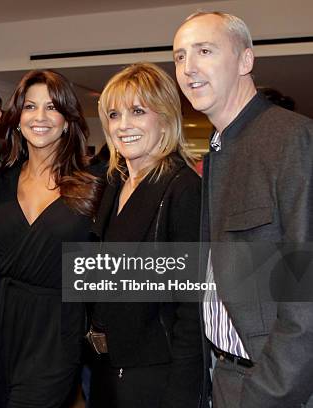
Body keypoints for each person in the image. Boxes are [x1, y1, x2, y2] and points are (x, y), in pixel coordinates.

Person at [173, 11, 313, 407]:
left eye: (204, 51)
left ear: (245, 60)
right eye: (180, 56)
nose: (189, 68)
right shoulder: (219, 148)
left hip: (275, 386)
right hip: (225, 376)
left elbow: (306, 297)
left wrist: (267, 393)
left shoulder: (292, 139)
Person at [0, 69, 101, 408]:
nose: (40, 117)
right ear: (18, 118)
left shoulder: (93, 183)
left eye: (52, 107)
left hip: (57, 330)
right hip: (1, 325)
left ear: (67, 120)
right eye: (31, 107)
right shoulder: (1, 182)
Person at [89, 62, 204, 408]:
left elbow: (192, 305)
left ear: (166, 116)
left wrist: (181, 391)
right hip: (107, 366)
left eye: (137, 111)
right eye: (114, 114)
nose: (123, 126)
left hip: (157, 373)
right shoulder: (116, 180)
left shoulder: (183, 188)